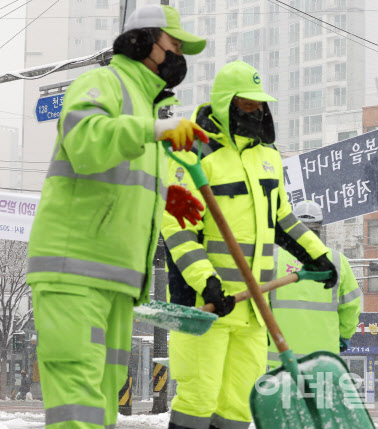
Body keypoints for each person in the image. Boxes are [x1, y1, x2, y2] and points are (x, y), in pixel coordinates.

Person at [26, 5, 207, 428]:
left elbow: (124, 185)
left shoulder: (144, 109)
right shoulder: (101, 83)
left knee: (101, 409)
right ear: (144, 41)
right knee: (78, 404)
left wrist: (170, 197)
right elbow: (88, 144)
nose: (179, 56)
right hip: (74, 275)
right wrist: (155, 131)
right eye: (173, 45)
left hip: (117, 283)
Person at [161, 60, 337, 429]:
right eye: (246, 104)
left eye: (259, 104)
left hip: (255, 307)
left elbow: (282, 219)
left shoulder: (268, 157)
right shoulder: (193, 152)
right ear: (226, 103)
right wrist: (207, 283)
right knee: (198, 399)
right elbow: (177, 229)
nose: (256, 111)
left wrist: (317, 256)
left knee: (239, 407)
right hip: (205, 306)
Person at [267, 200, 362, 369]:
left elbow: (259, 306)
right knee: (319, 396)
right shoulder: (337, 261)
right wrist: (345, 336)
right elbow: (351, 306)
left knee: (283, 396)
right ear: (320, 228)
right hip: (324, 361)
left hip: (281, 360)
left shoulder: (273, 259)